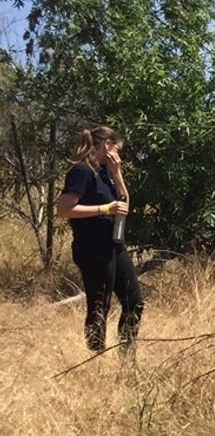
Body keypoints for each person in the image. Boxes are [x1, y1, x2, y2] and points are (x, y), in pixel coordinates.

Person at [55, 126, 144, 355]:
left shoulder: (106, 172)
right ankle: (95, 357)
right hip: (93, 248)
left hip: (115, 245)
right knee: (99, 306)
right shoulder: (82, 171)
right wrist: (104, 208)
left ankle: (127, 356)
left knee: (134, 301)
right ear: (106, 145)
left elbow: (124, 204)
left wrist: (117, 173)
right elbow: (64, 209)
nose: (118, 154)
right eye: (117, 149)